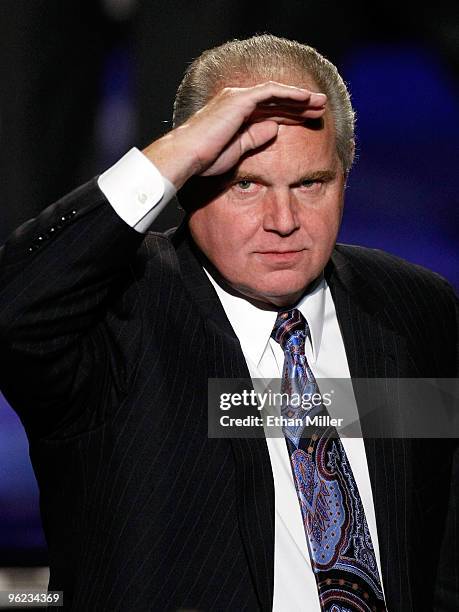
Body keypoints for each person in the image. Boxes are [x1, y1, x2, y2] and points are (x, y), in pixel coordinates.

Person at [0, 34, 457, 611]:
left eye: (310, 184)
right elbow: (14, 310)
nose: (284, 220)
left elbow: (438, 541)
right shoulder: (115, 313)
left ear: (346, 177)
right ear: (191, 182)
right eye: (247, 184)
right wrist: (174, 152)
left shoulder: (414, 308)